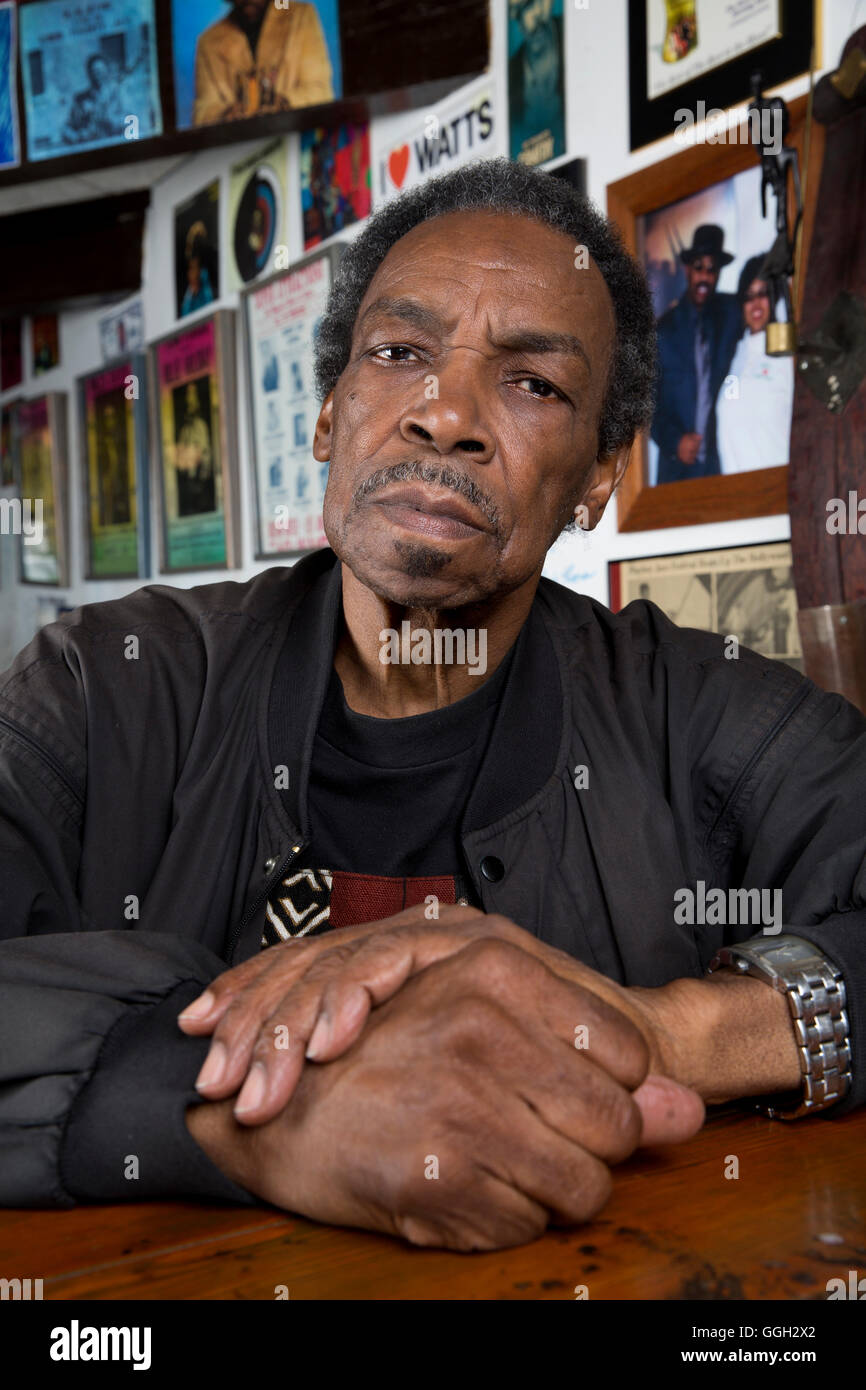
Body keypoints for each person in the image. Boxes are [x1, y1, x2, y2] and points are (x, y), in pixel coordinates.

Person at [0, 160, 863, 1254]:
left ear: (597, 475)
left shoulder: (699, 711)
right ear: (325, 415)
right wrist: (243, 1114)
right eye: (398, 353)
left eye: (532, 384)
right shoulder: (105, 684)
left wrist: (661, 1028)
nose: (443, 413)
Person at [651, 224, 742, 483]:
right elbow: (646, 404)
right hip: (675, 470)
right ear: (687, 269)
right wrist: (674, 441)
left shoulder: (730, 314)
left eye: (712, 269)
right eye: (699, 267)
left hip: (718, 465)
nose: (705, 276)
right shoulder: (663, 332)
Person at [193, 0, 333, 126]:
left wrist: (283, 104)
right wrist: (227, 113)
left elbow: (321, 92)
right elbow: (202, 113)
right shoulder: (208, 41)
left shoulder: (300, 16)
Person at [716, 255, 795, 473]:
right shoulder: (735, 354)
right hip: (739, 494)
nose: (756, 304)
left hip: (778, 490)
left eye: (763, 294)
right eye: (749, 297)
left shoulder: (787, 355)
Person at [61, 53, 120, 146]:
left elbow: (131, 122)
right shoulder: (80, 99)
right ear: (89, 74)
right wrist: (77, 137)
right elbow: (67, 128)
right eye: (95, 72)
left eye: (101, 71)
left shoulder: (117, 95)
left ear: (107, 71)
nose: (98, 75)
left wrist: (110, 121)